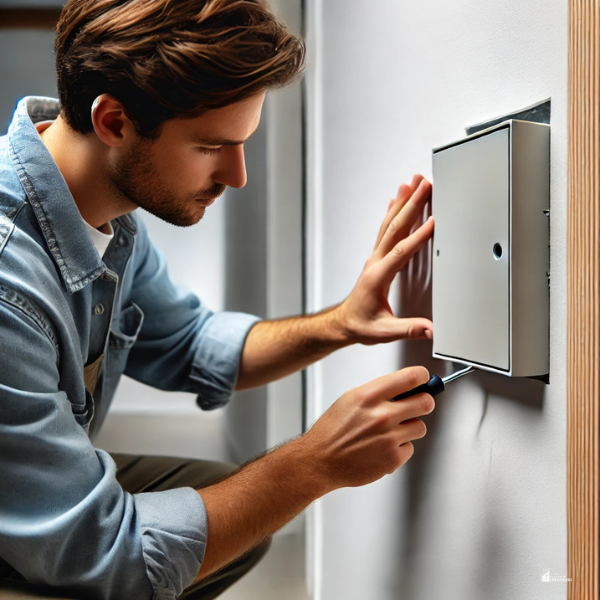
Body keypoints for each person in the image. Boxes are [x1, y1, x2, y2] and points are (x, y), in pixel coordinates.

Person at [0, 0, 436, 598]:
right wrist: (313, 463)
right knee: (186, 533)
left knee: (230, 507)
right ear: (114, 122)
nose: (238, 176)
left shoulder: (111, 219)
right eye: (211, 147)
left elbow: (191, 344)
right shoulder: (7, 284)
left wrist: (342, 323)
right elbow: (104, 554)